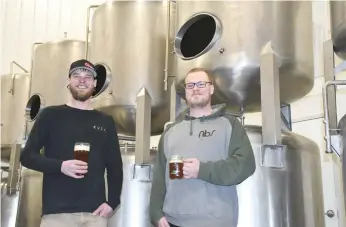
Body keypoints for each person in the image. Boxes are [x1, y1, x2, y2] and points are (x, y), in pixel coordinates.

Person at [20, 59, 123, 227]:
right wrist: (60, 166)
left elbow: (115, 166)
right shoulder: (50, 116)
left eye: (88, 77)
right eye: (76, 75)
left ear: (95, 83)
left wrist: (113, 201)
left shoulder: (106, 121)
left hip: (94, 215)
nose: (82, 80)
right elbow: (27, 156)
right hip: (57, 215)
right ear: (68, 81)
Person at [149, 67, 256, 227]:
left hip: (215, 222)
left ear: (211, 88)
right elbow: (159, 176)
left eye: (201, 84)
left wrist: (202, 170)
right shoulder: (171, 131)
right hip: (173, 221)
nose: (196, 89)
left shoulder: (230, 125)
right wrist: (156, 213)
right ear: (185, 91)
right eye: (190, 85)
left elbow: (244, 165)